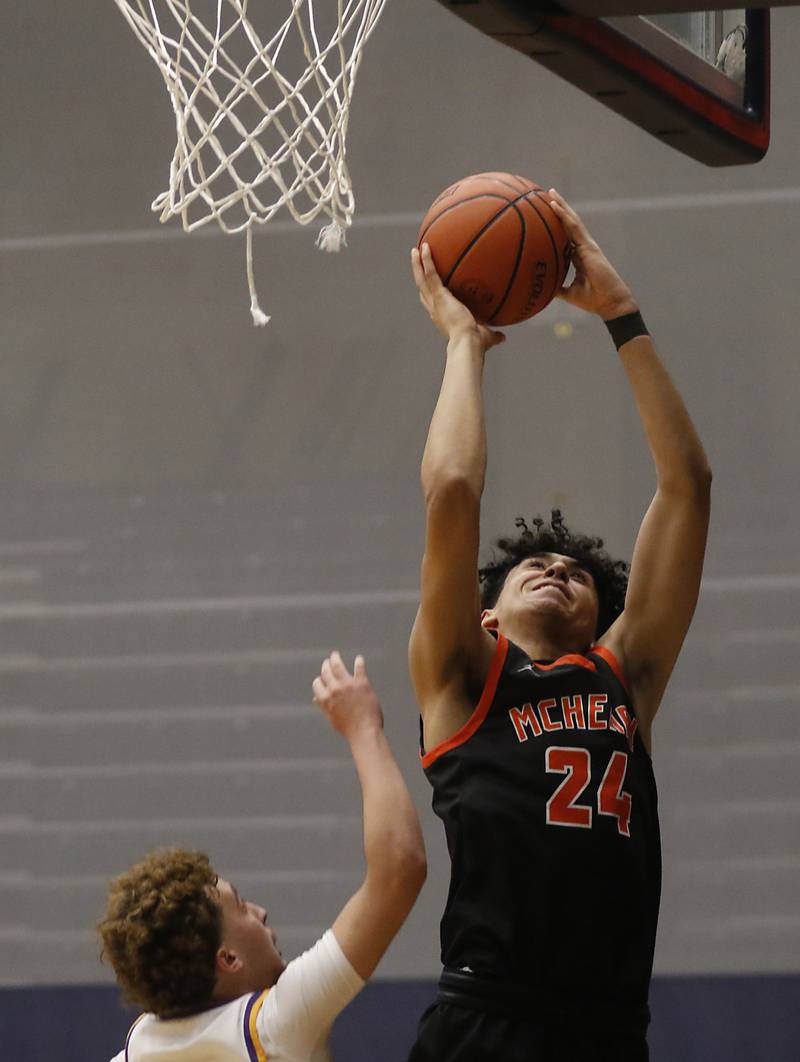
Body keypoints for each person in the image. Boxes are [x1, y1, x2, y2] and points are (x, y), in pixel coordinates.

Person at [407, 190, 711, 1062]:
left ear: (601, 619)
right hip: (488, 1018)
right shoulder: (464, 676)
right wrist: (466, 345)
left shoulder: (627, 680)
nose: (558, 570)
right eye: (532, 567)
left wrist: (622, 314)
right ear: (484, 612)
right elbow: (454, 491)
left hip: (610, 1032)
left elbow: (687, 484)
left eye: (579, 575)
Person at [99, 652, 426, 1062]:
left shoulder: (140, 1046)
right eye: (240, 906)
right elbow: (400, 866)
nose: (260, 912)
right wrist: (363, 728)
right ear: (228, 958)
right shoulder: (273, 1026)